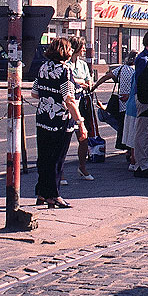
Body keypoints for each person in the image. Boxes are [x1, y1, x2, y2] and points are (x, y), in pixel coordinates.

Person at [31, 37, 87, 208]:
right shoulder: (65, 70)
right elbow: (69, 99)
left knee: (44, 158)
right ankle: (54, 195)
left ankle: (42, 193)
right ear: (64, 52)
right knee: (57, 159)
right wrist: (80, 122)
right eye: (70, 49)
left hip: (43, 117)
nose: (71, 52)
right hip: (60, 120)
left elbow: (35, 93)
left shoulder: (44, 67)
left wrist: (50, 94)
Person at [128, 31, 148, 178]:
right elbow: (141, 80)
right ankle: (141, 164)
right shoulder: (143, 58)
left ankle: (145, 159)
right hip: (144, 97)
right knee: (142, 130)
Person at [94, 50, 136, 151]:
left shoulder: (121, 69)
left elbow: (106, 77)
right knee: (133, 130)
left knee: (123, 129)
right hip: (134, 105)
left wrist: (95, 86)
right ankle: (132, 154)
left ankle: (127, 151)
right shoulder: (139, 70)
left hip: (122, 105)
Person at [67, 36, 94, 181]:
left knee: (83, 137)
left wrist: (83, 82)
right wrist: (80, 82)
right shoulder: (65, 63)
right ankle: (61, 172)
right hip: (69, 105)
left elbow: (89, 81)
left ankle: (82, 167)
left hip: (81, 103)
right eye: (83, 47)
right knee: (64, 139)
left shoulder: (83, 65)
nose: (85, 49)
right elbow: (68, 79)